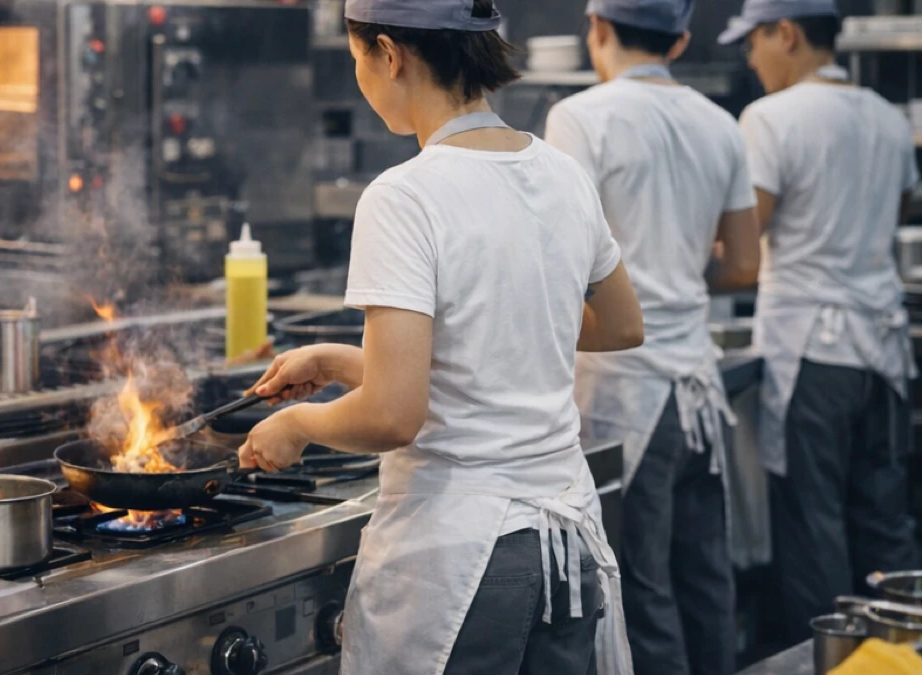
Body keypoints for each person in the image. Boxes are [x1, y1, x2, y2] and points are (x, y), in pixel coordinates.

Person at [236, 0, 645, 671]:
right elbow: (621, 324)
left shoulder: (404, 196)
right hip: (565, 545)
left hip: (466, 557)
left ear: (388, 54)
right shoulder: (561, 173)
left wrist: (298, 424)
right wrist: (342, 361)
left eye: (358, 59)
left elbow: (392, 415)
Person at [544, 2, 762, 674]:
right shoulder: (720, 123)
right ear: (681, 41)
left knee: (643, 590)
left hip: (624, 391)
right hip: (699, 390)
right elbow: (743, 264)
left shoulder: (578, 117)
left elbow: (559, 258)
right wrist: (677, 273)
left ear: (599, 28)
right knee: (706, 581)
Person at [718, 0, 920, 643]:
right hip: (883, 355)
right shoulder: (887, 118)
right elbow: (901, 205)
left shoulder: (771, 117)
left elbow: (744, 248)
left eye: (753, 42)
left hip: (813, 355)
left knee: (814, 528)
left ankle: (828, 661)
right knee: (885, 526)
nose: (751, 58)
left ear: (787, 33)